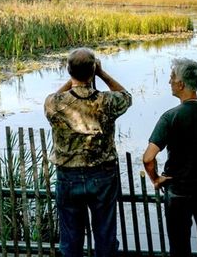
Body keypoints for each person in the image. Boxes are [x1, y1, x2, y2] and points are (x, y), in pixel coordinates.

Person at [44, 48, 132, 257]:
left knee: (71, 239)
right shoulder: (106, 101)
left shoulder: (55, 103)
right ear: (93, 69)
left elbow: (58, 96)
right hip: (102, 176)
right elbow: (126, 96)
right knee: (105, 236)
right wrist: (101, 74)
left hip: (68, 176)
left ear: (68, 70)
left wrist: (73, 78)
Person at [142, 58, 197, 257]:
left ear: (181, 84)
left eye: (172, 78)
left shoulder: (170, 117)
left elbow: (148, 157)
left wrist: (156, 179)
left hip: (178, 191)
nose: (169, 82)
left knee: (179, 247)